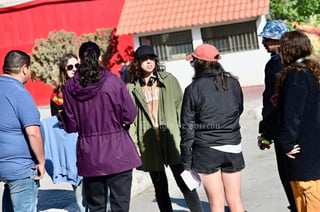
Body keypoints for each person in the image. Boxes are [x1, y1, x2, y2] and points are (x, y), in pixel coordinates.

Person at [59, 41, 141, 212]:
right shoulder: (113, 81)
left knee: (96, 207)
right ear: (100, 58)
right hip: (118, 151)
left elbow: (71, 125)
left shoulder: (69, 87)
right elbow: (130, 114)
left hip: (90, 155)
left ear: (80, 60)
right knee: (120, 206)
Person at [127, 45, 203, 212]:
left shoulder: (169, 80)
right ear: (137, 63)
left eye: (151, 58)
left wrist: (186, 137)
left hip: (173, 139)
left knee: (185, 184)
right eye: (144, 59)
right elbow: (131, 120)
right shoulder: (132, 88)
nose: (149, 62)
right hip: (149, 144)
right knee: (160, 189)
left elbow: (181, 108)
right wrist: (135, 144)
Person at [180, 44, 245, 212]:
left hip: (206, 149)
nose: (192, 64)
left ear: (200, 63)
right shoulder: (232, 83)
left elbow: (187, 128)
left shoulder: (192, 89)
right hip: (233, 145)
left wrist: (186, 162)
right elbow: (239, 109)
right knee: (236, 200)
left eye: (193, 60)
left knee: (216, 204)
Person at [277, 30, 320, 212]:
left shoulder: (296, 76)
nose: (278, 52)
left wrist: (286, 143)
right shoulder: (313, 71)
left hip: (305, 155)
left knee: (307, 200)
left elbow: (292, 115)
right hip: (315, 151)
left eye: (281, 49)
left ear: (288, 50)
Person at [258, 20, 297, 212]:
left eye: (267, 39)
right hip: (277, 128)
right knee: (285, 176)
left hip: (292, 130)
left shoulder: (292, 64)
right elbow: (268, 98)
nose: (264, 42)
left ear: (280, 40)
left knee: (298, 176)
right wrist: (264, 130)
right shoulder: (271, 65)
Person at [0, 50, 45, 212]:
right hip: (21, 168)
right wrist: (41, 161)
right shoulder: (20, 93)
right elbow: (33, 132)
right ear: (24, 69)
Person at [44, 52, 87, 212]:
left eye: (77, 65)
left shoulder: (88, 85)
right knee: (79, 185)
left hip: (92, 141)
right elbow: (56, 123)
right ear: (64, 69)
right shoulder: (57, 94)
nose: (74, 69)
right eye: (70, 67)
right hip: (72, 144)